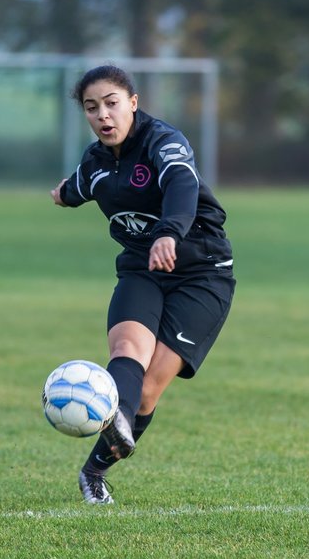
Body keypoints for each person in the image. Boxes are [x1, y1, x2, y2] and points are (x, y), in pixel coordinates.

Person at [51, 64, 235, 504]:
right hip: (140, 269)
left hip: (202, 273)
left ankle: (94, 470)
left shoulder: (164, 142)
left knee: (150, 386)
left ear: (133, 103)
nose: (103, 116)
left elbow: (181, 185)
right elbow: (76, 188)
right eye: (92, 108)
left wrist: (169, 232)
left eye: (112, 104)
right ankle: (116, 414)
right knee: (127, 351)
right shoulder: (94, 163)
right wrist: (61, 194)